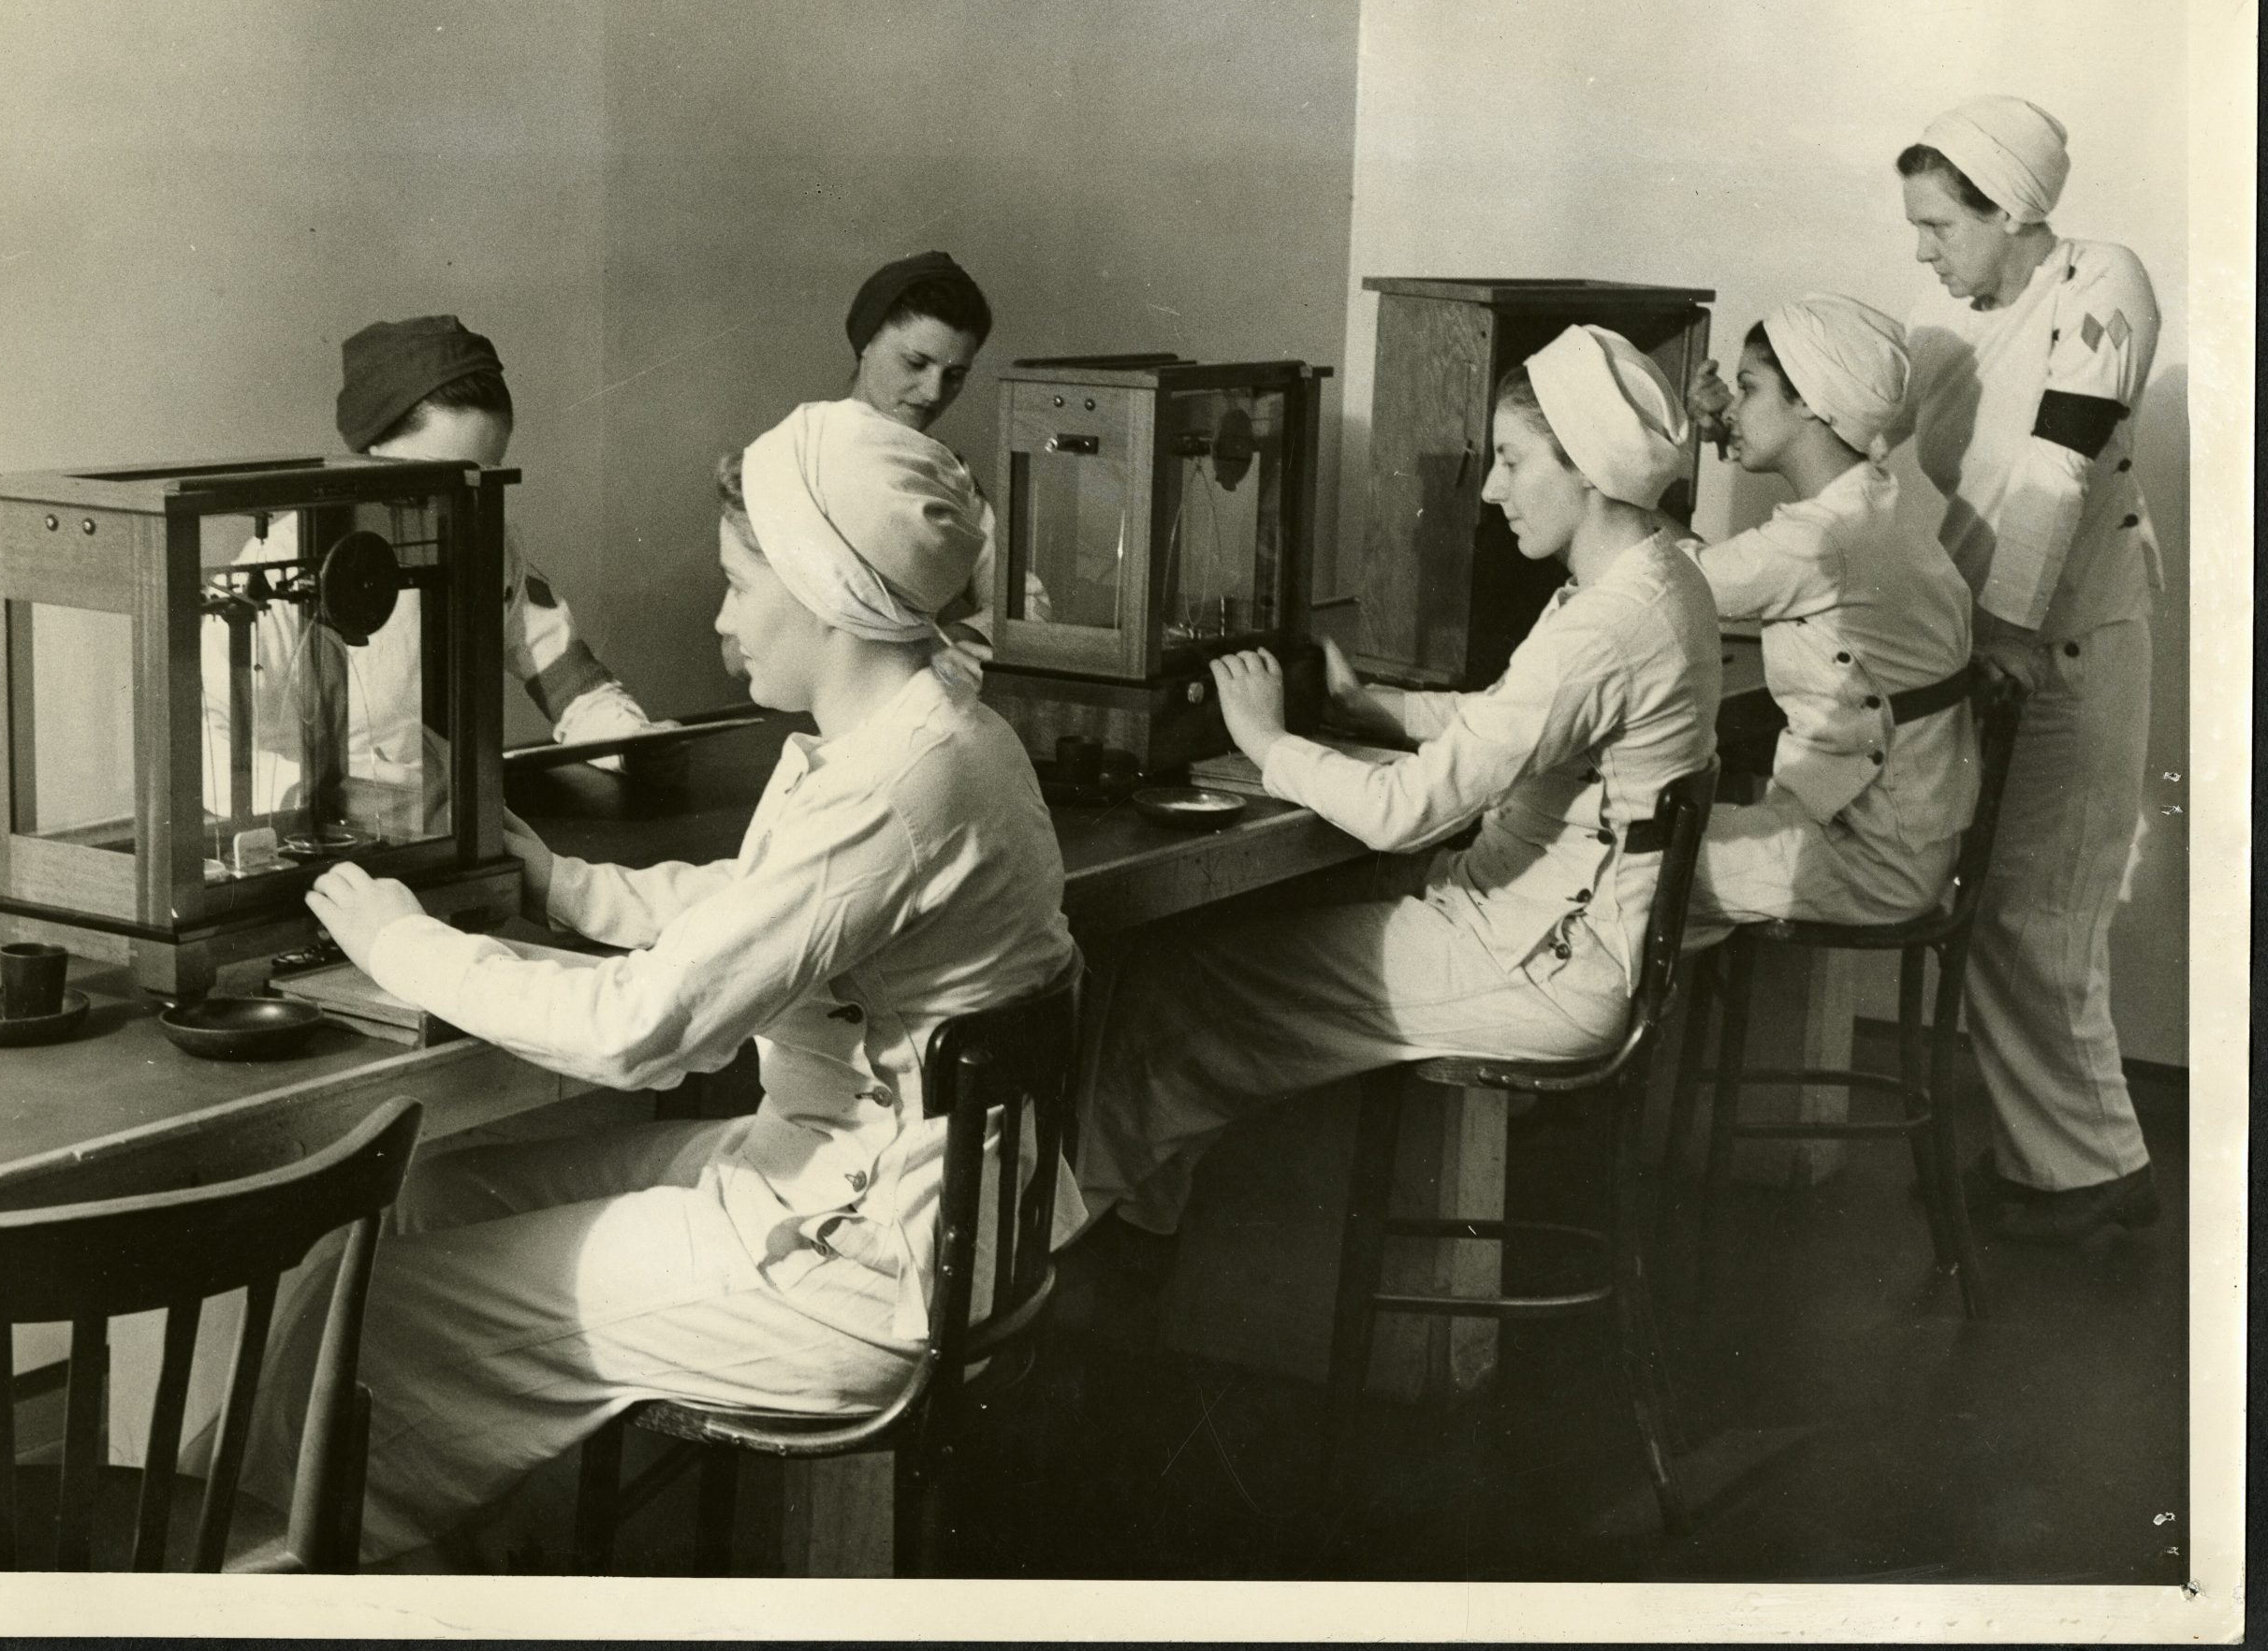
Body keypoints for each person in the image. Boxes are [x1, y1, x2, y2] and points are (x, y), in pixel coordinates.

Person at [238, 397, 1075, 1565]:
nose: (720, 611)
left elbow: (644, 1028)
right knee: (428, 1201)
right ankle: (459, 1553)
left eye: (739, 581)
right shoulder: (932, 730)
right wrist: (563, 882)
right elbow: (761, 908)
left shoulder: (893, 785)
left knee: (368, 1317)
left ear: (829, 594)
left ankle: (278, 1584)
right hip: (882, 1196)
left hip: (861, 1274)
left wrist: (400, 944)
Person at [1076, 325, 1719, 1239]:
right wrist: (1371, 704)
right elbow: (1513, 718)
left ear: (1584, 466)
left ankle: (1073, 1248)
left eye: (1509, 459)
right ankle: (1133, 1222)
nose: (1491, 488)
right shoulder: (1655, 576)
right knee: (1211, 951)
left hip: (1538, 966)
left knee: (1180, 974)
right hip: (1550, 930)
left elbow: (1404, 812)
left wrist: (1265, 741)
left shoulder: (1606, 623)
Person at [1894, 95, 2164, 1243]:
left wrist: (2003, 635)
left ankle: (2095, 1174)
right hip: (1995, 649)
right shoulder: (1955, 326)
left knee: (2040, 910)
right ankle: (2061, 1167)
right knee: (2006, 907)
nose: (1922, 250)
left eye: (1938, 227)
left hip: (2070, 647)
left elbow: (2057, 468)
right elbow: (1859, 406)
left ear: (2008, 210)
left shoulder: (2103, 280)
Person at [202, 315, 655, 825]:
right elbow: (201, 743)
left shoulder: (488, 546)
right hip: (321, 843)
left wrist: (635, 747)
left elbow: (573, 684)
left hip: (448, 826)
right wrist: (316, 797)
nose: (456, 508)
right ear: (370, 452)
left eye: (478, 481)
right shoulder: (274, 568)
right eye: (432, 481)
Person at [1677, 295, 1978, 932]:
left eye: (1747, 388)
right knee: (1640, 851)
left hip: (1864, 859)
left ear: (1809, 401)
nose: (1731, 407)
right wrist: (1724, 430)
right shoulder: (1875, 504)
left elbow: (1664, 583)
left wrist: (1656, 451)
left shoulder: (1825, 538)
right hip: (1897, 844)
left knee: (1608, 858)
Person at [840, 250, 1047, 688]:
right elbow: (739, 651)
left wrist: (960, 635)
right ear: (866, 343)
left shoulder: (948, 474)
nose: (934, 392)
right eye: (915, 363)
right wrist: (921, 649)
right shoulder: (796, 463)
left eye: (955, 375)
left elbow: (1025, 604)